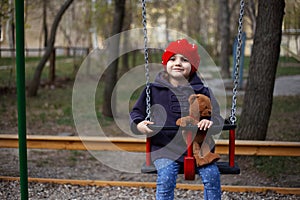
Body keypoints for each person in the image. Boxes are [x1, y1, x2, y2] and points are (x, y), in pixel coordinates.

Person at [130, 39, 223, 200]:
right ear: (165, 63)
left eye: (184, 60)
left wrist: (210, 122)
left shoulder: (203, 91)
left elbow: (217, 118)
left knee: (212, 176)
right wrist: (139, 124)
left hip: (199, 148)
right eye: (172, 59)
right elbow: (137, 113)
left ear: (192, 66)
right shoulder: (153, 90)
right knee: (166, 178)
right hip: (165, 148)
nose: (178, 63)